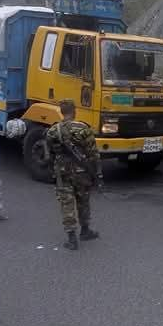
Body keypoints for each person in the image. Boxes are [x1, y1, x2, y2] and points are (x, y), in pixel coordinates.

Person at [46, 99, 102, 251]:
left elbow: (50, 153)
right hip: (81, 172)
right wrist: (97, 173)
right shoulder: (83, 129)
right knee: (83, 200)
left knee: (67, 203)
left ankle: (71, 238)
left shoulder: (53, 130)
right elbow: (93, 154)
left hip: (62, 171)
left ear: (61, 111)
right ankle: (85, 230)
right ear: (74, 110)